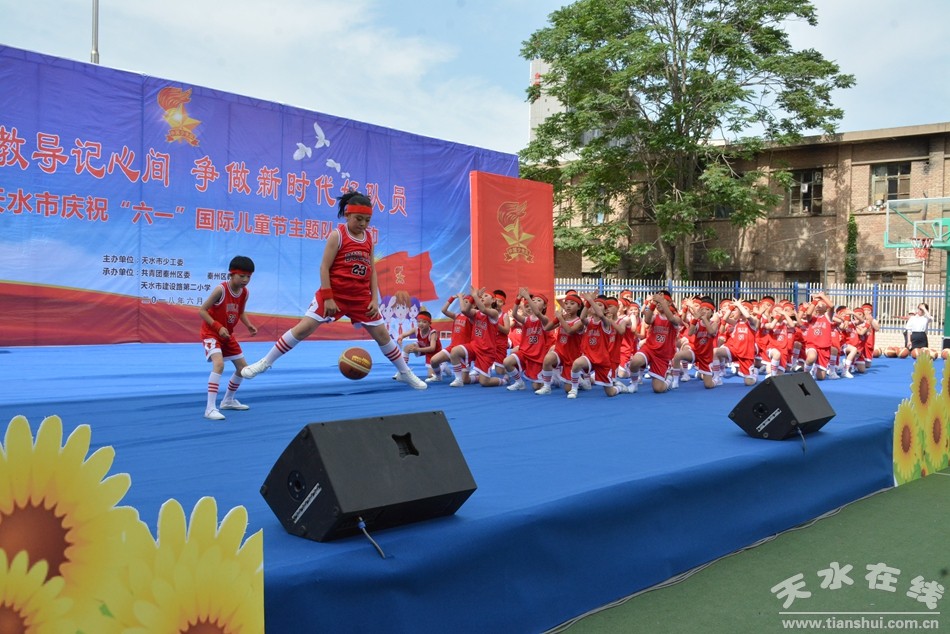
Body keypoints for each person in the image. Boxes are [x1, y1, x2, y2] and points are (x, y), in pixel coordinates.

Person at [241, 191, 427, 389]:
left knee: (382, 335)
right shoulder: (337, 235)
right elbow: (324, 267)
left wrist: (375, 299)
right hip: (334, 294)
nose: (363, 224)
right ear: (347, 215)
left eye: (367, 220)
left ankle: (405, 373)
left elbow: (371, 270)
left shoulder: (368, 238)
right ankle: (265, 362)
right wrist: (328, 297)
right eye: (358, 219)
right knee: (303, 329)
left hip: (360, 297)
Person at [198, 255, 258, 420]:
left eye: (249, 277)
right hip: (211, 333)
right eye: (242, 276)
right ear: (231, 274)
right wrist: (218, 327)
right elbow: (202, 310)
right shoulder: (221, 290)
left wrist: (248, 325)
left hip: (227, 335)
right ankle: (210, 409)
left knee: (243, 369)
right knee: (219, 365)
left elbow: (240, 312)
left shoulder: (244, 293)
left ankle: (228, 400)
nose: (245, 280)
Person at [504, 288, 551, 391]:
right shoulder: (526, 320)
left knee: (536, 387)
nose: (535, 302)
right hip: (525, 352)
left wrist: (528, 298)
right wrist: (518, 298)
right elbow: (514, 314)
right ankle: (519, 383)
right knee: (507, 362)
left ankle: (552, 378)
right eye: (533, 300)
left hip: (538, 356)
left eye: (539, 300)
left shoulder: (544, 319)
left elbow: (537, 313)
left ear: (544, 306)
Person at [396, 310, 443, 380]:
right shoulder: (416, 329)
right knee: (406, 348)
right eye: (419, 321)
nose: (421, 324)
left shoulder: (433, 333)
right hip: (422, 347)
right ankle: (402, 371)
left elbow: (432, 348)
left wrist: (417, 349)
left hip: (434, 353)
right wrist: (400, 339)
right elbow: (403, 335)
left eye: (424, 322)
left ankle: (443, 366)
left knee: (430, 376)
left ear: (429, 323)